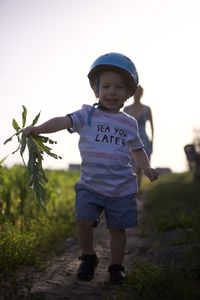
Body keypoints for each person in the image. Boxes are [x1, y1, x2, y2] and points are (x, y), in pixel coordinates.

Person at [23, 52, 158, 284]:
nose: (111, 92)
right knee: (84, 222)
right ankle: (88, 257)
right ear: (95, 90)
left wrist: (145, 167)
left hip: (121, 188)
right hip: (90, 185)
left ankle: (116, 266)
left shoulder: (129, 122)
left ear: (128, 93)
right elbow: (62, 121)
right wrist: (38, 129)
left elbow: (137, 149)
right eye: (105, 86)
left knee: (118, 229)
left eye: (118, 87)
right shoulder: (87, 115)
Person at [124, 85, 154, 190]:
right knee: (130, 167)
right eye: (136, 92)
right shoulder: (126, 109)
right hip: (128, 140)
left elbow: (152, 127)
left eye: (139, 92)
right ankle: (129, 191)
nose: (137, 94)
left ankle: (137, 191)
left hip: (143, 140)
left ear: (142, 94)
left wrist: (152, 143)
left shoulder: (147, 109)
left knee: (139, 168)